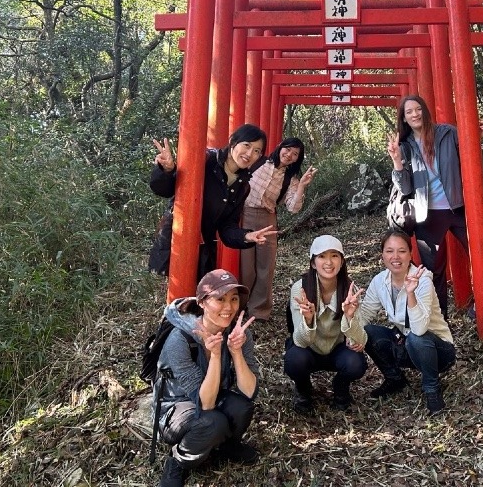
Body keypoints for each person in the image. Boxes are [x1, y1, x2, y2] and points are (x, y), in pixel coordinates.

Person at [386, 95, 483, 320]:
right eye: (409, 112)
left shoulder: (447, 133)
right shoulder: (404, 146)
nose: (415, 114)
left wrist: (476, 137)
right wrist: (396, 160)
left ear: (425, 111)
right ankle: (440, 321)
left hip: (458, 208)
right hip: (427, 214)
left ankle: (480, 305)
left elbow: (467, 151)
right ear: (404, 119)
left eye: (418, 109)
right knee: (433, 271)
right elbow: (405, 187)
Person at [153, 269, 260, 486]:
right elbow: (205, 403)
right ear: (202, 302)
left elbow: (249, 391)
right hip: (175, 406)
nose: (228, 307)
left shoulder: (238, 332)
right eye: (220, 299)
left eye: (234, 299)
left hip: (211, 392)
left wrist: (236, 352)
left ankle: (226, 445)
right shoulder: (180, 339)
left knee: (243, 408)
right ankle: (178, 460)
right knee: (213, 422)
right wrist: (215, 356)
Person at [346, 229, 456, 416]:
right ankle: (394, 379)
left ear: (411, 254)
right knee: (369, 332)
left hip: (438, 351)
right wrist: (351, 316)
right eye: (389, 251)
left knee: (416, 338)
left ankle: (432, 389)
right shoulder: (380, 281)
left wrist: (411, 293)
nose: (395, 257)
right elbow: (364, 318)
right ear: (382, 255)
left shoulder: (422, 281)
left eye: (402, 251)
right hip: (408, 344)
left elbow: (420, 329)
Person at [148, 123, 276, 280]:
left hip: (203, 248)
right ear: (233, 142)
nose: (250, 153)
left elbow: (226, 226)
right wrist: (168, 170)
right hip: (175, 242)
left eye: (257, 151)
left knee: (197, 300)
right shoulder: (206, 160)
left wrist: (246, 236)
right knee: (174, 301)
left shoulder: (243, 187)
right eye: (246, 145)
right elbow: (165, 190)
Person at [284, 235, 367, 414]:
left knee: (356, 363)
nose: (328, 262)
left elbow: (360, 340)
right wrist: (307, 319)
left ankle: (341, 386)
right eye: (322, 256)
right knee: (294, 360)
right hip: (308, 349)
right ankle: (303, 388)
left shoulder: (350, 290)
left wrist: (350, 318)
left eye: (334, 255)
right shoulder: (301, 289)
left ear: (342, 261)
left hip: (337, 350)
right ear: (313, 263)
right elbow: (300, 341)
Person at [240, 137, 317, 321]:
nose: (289, 155)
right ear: (280, 147)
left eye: (295, 154)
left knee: (265, 266)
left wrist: (302, 187)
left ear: (298, 159)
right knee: (246, 266)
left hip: (267, 219)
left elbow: (293, 207)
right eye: (287, 149)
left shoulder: (291, 179)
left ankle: (259, 311)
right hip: (244, 215)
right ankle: (240, 306)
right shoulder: (258, 162)